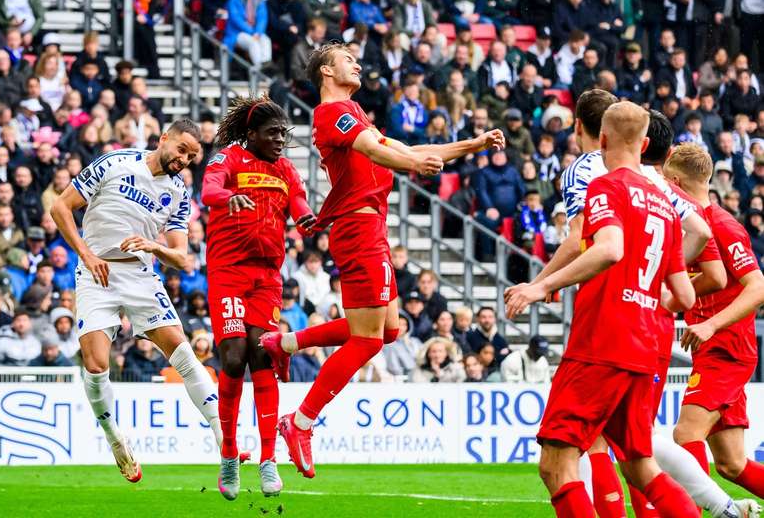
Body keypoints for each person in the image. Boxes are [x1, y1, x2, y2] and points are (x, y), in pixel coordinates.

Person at [259, 42, 504, 478]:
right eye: (347, 59)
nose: (356, 62)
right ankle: (300, 422)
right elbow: (378, 152)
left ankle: (286, 342)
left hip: (369, 229)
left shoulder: (353, 112)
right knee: (368, 339)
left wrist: (472, 143)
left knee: (388, 331)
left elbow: (403, 146)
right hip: (359, 231)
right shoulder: (332, 113)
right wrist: (413, 163)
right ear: (327, 73)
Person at [511, 99, 755, 517]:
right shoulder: (663, 199)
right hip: (647, 340)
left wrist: (541, 286)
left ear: (601, 140)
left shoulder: (605, 183)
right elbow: (686, 294)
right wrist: (648, 295)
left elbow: (608, 248)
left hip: (604, 335)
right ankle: (719, 509)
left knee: (558, 461)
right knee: (640, 462)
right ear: (646, 144)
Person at [50, 119, 223, 483]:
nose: (184, 159)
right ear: (164, 139)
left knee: (182, 350)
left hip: (141, 275)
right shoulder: (114, 162)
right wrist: (86, 255)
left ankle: (225, 437)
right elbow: (61, 208)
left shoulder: (178, 193)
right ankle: (116, 439)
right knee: (97, 364)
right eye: (181, 150)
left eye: (192, 156)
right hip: (96, 271)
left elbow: (183, 257)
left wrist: (154, 246)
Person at [201, 96, 315, 499]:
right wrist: (225, 198)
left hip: (267, 277)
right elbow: (209, 188)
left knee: (262, 353)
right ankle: (229, 453)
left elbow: (298, 197)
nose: (280, 140)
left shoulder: (284, 169)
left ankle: (269, 458)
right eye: (272, 133)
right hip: (228, 271)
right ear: (251, 135)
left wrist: (303, 216)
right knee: (233, 355)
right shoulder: (229, 158)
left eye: (284, 134)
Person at [665, 143, 764, 504]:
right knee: (732, 463)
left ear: (675, 181)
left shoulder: (722, 226)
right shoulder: (693, 225)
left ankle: (701, 512)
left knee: (685, 433)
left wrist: (711, 325)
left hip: (727, 348)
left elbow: (758, 287)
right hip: (713, 347)